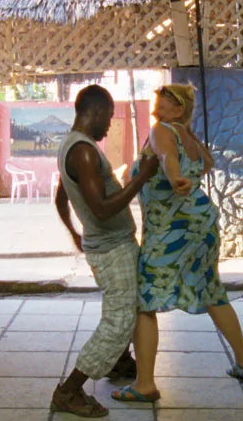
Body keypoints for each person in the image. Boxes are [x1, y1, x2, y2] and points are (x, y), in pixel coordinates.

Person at [112, 83, 243, 403]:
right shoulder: (188, 136)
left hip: (171, 230)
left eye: (162, 106)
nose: (155, 111)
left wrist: (175, 177)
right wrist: (181, 161)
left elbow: (167, 157)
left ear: (179, 110)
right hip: (203, 224)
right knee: (212, 291)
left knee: (143, 299)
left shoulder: (162, 130)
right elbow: (207, 163)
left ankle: (144, 384)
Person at [51, 84, 160, 417]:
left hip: (107, 245)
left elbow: (61, 196)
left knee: (127, 304)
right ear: (96, 112)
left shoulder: (71, 146)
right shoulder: (83, 152)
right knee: (119, 320)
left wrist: (74, 232)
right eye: (109, 117)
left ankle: (119, 360)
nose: (109, 125)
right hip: (112, 250)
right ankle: (69, 391)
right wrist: (141, 178)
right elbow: (100, 209)